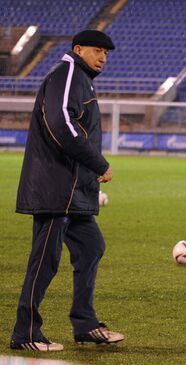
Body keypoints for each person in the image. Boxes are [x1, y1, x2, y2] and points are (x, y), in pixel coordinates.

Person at [10, 30, 124, 352]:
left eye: (107, 52)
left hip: (73, 191)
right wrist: (98, 163)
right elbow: (61, 123)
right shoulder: (67, 74)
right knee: (45, 261)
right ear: (78, 49)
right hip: (55, 189)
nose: (103, 57)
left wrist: (89, 174)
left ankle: (85, 325)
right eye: (97, 50)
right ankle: (26, 333)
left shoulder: (83, 79)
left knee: (91, 247)